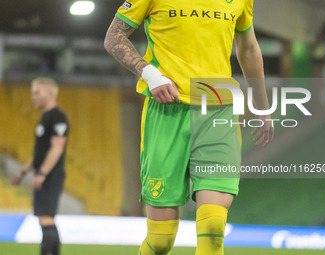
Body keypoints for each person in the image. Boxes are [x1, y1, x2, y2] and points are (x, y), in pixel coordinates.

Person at [104, 0, 274, 254]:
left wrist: (262, 107)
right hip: (166, 111)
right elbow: (114, 37)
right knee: (160, 241)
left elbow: (248, 49)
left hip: (218, 110)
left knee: (214, 227)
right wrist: (150, 74)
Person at [12, 77, 69, 255]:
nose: (33, 97)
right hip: (45, 173)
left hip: (51, 174)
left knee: (46, 219)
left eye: (37, 92)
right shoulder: (45, 118)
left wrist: (42, 173)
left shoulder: (58, 117)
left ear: (50, 93)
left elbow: (57, 148)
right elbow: (39, 153)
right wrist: (22, 172)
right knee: (45, 219)